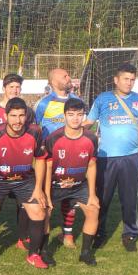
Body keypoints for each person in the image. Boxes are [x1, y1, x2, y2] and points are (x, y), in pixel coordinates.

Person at [84, 63, 138, 252]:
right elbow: (90, 122)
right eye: (126, 79)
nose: (129, 83)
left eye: (132, 79)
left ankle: (130, 234)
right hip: (105, 158)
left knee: (129, 199)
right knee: (103, 198)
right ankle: (99, 233)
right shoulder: (102, 99)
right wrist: (68, 131)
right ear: (116, 80)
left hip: (131, 158)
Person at [0, 98, 48, 268]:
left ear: (26, 116)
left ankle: (33, 254)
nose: (18, 121)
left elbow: (40, 160)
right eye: (13, 116)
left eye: (21, 116)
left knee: (39, 211)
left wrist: (38, 189)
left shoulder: (35, 132)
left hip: (24, 180)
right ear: (5, 116)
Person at [0, 73, 38, 252]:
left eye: (17, 87)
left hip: (21, 164)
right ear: (4, 88)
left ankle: (23, 236)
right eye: (11, 87)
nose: (14, 90)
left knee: (22, 203)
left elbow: (30, 138)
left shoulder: (27, 112)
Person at [43, 98, 99, 266]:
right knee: (44, 212)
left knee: (93, 209)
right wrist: (46, 194)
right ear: (64, 115)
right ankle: (44, 251)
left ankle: (86, 253)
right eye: (71, 114)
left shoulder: (91, 138)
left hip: (79, 186)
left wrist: (93, 194)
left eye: (80, 114)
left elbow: (91, 165)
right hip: (55, 185)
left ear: (84, 116)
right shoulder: (54, 138)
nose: (75, 118)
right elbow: (47, 168)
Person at [35, 68, 79, 249]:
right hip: (49, 159)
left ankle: (67, 235)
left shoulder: (77, 101)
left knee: (71, 195)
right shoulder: (44, 103)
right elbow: (35, 129)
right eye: (65, 76)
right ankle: (43, 232)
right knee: (46, 196)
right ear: (53, 81)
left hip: (73, 158)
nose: (68, 78)